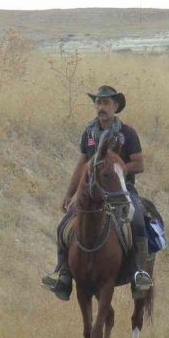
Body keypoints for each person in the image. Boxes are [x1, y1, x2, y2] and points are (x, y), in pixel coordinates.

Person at [41, 85, 153, 300]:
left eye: (106, 103)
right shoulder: (89, 132)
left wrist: (115, 171)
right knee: (64, 224)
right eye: (98, 102)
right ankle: (63, 273)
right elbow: (82, 163)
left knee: (138, 217)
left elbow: (139, 163)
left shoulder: (127, 133)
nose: (101, 107)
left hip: (121, 188)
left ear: (116, 106)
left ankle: (140, 271)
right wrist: (69, 194)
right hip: (92, 191)